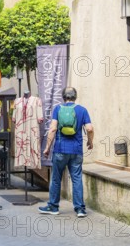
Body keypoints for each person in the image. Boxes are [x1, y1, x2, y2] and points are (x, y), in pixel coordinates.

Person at [39, 87, 94, 218]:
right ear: (75, 96)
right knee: (76, 179)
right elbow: (90, 129)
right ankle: (80, 209)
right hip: (76, 151)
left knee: (56, 178)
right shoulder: (82, 110)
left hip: (60, 149)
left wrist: (47, 147)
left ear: (63, 97)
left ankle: (53, 207)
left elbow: (52, 129)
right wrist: (90, 142)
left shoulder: (58, 109)